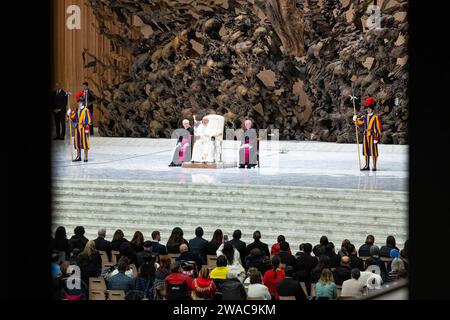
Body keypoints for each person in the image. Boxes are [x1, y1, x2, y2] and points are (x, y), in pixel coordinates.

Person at [353, 97, 382, 171]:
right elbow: (359, 122)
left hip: (372, 136)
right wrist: (355, 119)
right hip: (366, 136)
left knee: (373, 151)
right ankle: (366, 165)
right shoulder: (365, 117)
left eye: (370, 108)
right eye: (367, 108)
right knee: (366, 151)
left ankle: (374, 166)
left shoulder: (375, 117)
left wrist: (376, 137)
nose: (368, 109)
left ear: (372, 108)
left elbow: (378, 128)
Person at [68, 91, 92, 162]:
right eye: (78, 102)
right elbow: (73, 118)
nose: (79, 103)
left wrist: (87, 128)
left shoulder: (86, 110)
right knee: (77, 142)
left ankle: (86, 157)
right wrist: (69, 113)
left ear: (83, 102)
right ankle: (78, 156)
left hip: (84, 128)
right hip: (77, 128)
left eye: (81, 102)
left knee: (85, 142)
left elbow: (88, 119)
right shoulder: (76, 110)